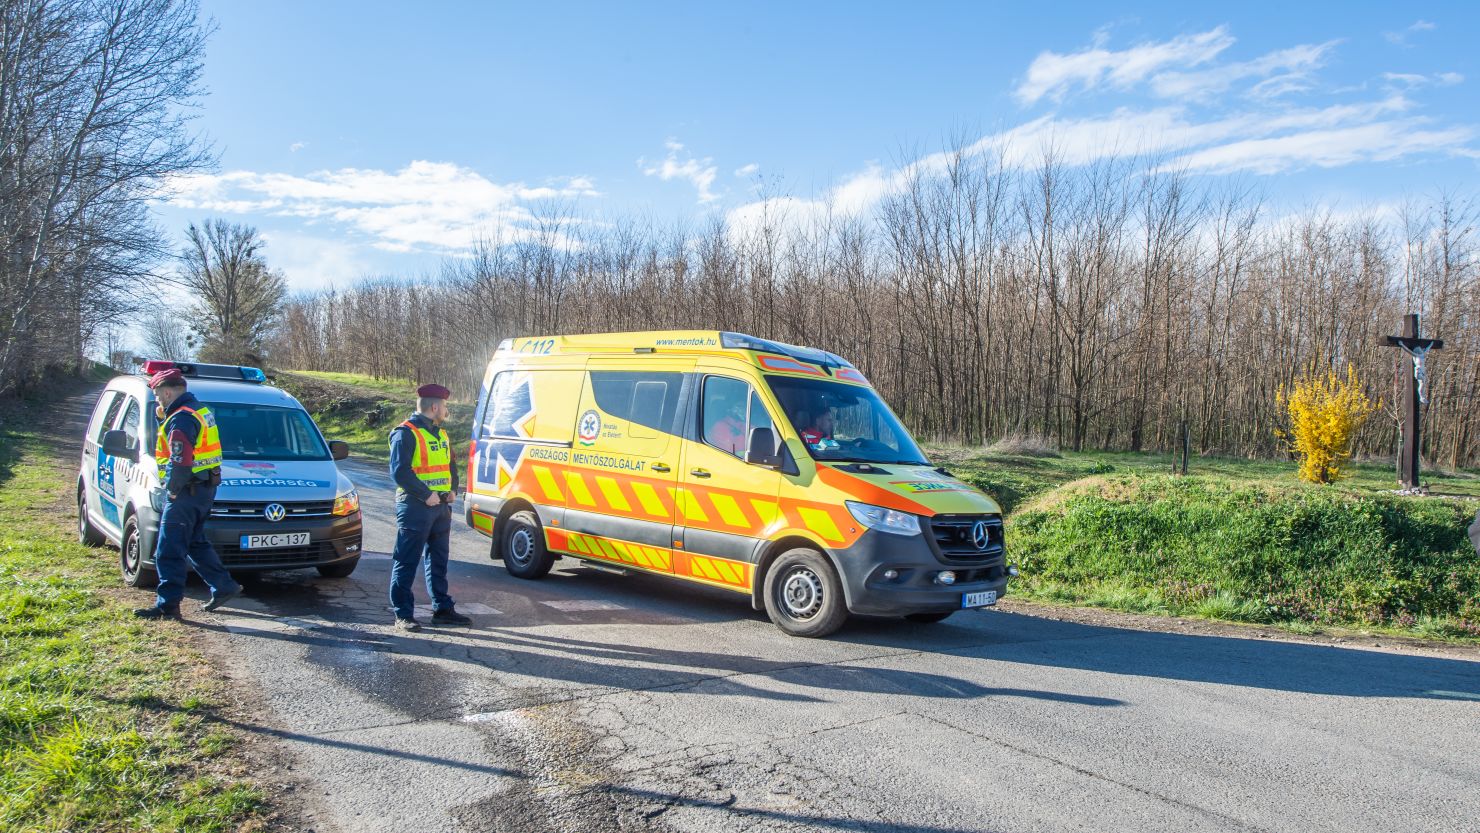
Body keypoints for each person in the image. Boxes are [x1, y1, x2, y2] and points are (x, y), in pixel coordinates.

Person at [134, 368, 243, 619]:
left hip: (186, 491)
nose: (158, 400)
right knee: (195, 541)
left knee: (168, 549)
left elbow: (180, 460)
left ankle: (167, 606)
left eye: (158, 395)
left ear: (169, 391)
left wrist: (172, 492)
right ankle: (224, 586)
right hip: (203, 489)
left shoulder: (181, 418)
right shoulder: (198, 410)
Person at [388, 383, 471, 631]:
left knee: (438, 560)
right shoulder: (405, 433)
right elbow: (400, 472)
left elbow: (450, 465)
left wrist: (454, 488)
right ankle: (403, 614)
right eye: (444, 406)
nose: (446, 410)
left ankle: (442, 609)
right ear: (435, 407)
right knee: (407, 560)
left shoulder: (441, 434)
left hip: (441, 507)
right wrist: (426, 495)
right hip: (415, 506)